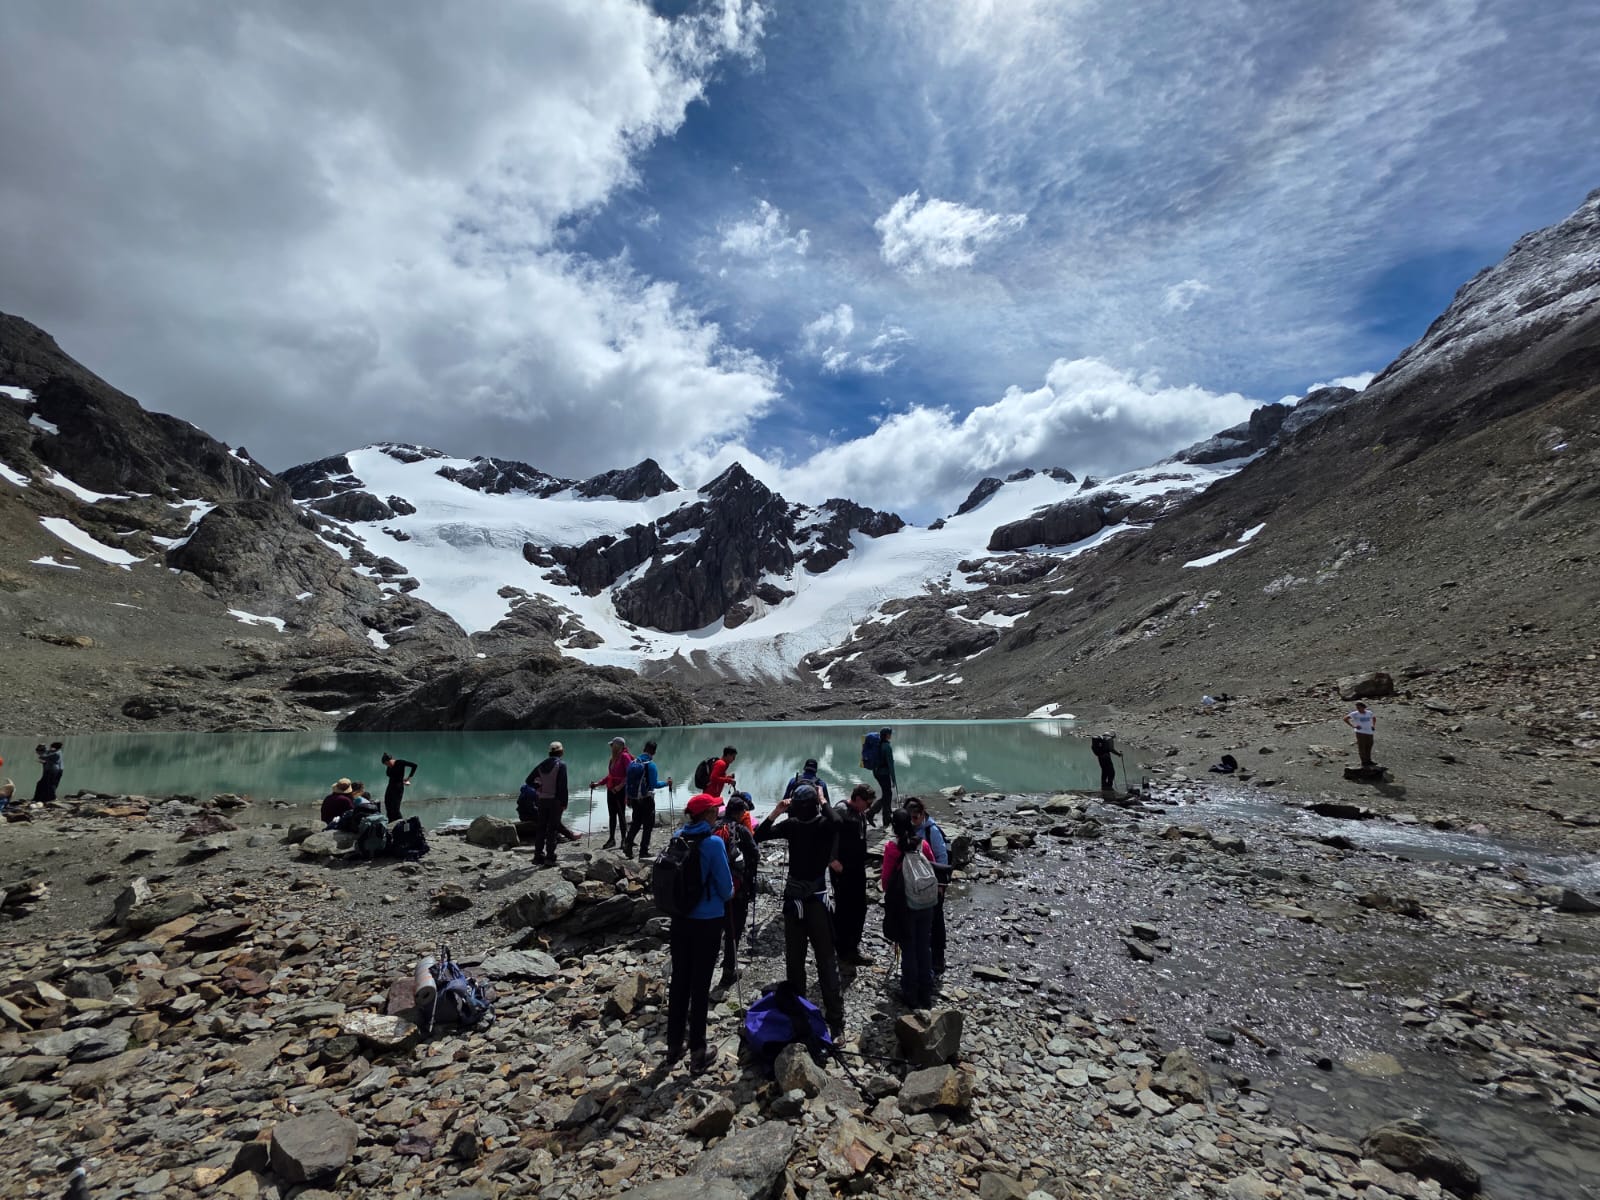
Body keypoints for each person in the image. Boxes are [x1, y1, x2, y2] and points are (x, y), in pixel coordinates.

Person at [754, 784, 845, 1036]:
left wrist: (776, 811)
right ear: (816, 804)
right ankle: (836, 1020)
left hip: (794, 900)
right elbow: (837, 822)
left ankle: (797, 1014)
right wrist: (824, 800)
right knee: (826, 959)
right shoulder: (824, 825)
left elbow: (758, 836)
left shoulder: (792, 826)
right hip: (817, 899)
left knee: (795, 960)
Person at [665, 792, 734, 1074]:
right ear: (706, 815)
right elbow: (726, 888)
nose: (718, 813)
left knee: (679, 980)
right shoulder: (714, 843)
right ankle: (698, 1051)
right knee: (700, 985)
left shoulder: (677, 838)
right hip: (707, 922)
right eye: (715, 810)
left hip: (680, 920)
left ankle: (673, 1046)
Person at [881, 808, 937, 1008]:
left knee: (909, 948)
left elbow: (886, 881)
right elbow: (932, 866)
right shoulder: (922, 844)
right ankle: (926, 990)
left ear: (894, 826)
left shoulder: (892, 847)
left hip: (905, 906)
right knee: (924, 945)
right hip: (926, 902)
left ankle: (910, 993)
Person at [714, 793, 760, 987]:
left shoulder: (713, 828)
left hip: (714, 891)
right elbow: (755, 855)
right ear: (740, 812)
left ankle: (708, 966)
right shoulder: (741, 830)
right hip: (736, 890)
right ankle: (728, 972)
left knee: (716, 929)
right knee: (734, 931)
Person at [830, 784, 875, 966]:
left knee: (859, 908)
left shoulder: (859, 814)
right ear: (857, 798)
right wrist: (832, 860)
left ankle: (851, 946)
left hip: (857, 868)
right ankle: (843, 950)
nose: (869, 807)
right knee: (845, 909)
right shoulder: (840, 811)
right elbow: (826, 834)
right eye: (867, 803)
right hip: (842, 868)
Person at [905, 796, 950, 976]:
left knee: (937, 920)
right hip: (914, 884)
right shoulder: (908, 829)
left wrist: (941, 885)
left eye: (916, 818)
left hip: (933, 884)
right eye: (910, 818)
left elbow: (942, 857)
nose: (913, 821)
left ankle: (938, 957)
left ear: (922, 814)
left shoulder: (932, 831)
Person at [623, 740, 673, 860]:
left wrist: (628, 797)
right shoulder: (650, 765)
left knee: (636, 823)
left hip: (634, 798)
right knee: (648, 826)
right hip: (647, 799)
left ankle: (628, 844)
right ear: (654, 752)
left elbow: (627, 781)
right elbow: (654, 784)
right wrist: (666, 783)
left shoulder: (633, 762)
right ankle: (643, 851)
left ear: (644, 748)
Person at [526, 742, 569, 866]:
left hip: (542, 800)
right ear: (561, 752)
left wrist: (538, 787)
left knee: (541, 828)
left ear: (550, 752)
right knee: (552, 829)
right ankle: (550, 857)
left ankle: (537, 856)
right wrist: (564, 802)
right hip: (555, 801)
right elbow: (563, 786)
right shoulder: (561, 765)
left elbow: (528, 780)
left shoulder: (541, 765)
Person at [592, 737, 633, 849]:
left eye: (612, 745)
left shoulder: (625, 757)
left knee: (621, 815)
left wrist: (619, 786)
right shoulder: (613, 759)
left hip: (620, 791)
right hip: (611, 790)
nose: (610, 747)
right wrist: (598, 784)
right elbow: (610, 776)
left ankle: (624, 840)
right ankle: (612, 839)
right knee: (612, 815)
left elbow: (630, 774)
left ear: (617, 746)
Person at [867, 729, 897, 827]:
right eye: (890, 734)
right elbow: (890, 764)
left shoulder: (878, 744)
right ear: (887, 735)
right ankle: (873, 814)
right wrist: (893, 779)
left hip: (876, 772)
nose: (891, 735)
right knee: (887, 795)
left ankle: (886, 818)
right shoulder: (887, 747)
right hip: (884, 774)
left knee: (887, 794)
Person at [380, 752, 417, 821]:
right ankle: (390, 821)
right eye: (385, 764)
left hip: (398, 788)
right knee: (388, 804)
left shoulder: (400, 762)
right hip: (390, 786)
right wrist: (402, 780)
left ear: (389, 760)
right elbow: (394, 776)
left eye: (386, 763)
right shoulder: (389, 767)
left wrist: (409, 778)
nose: (387, 765)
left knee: (395, 808)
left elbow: (414, 765)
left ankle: (400, 823)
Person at [1344, 701, 1378, 768]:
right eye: (1357, 708)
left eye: (1359, 707)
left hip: (1369, 732)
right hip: (1360, 732)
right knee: (1362, 746)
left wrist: (1373, 726)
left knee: (1369, 745)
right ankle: (1364, 761)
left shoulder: (1369, 713)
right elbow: (1345, 719)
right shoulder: (1355, 714)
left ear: (1364, 707)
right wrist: (1353, 726)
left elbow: (1374, 718)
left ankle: (1369, 760)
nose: (1358, 709)